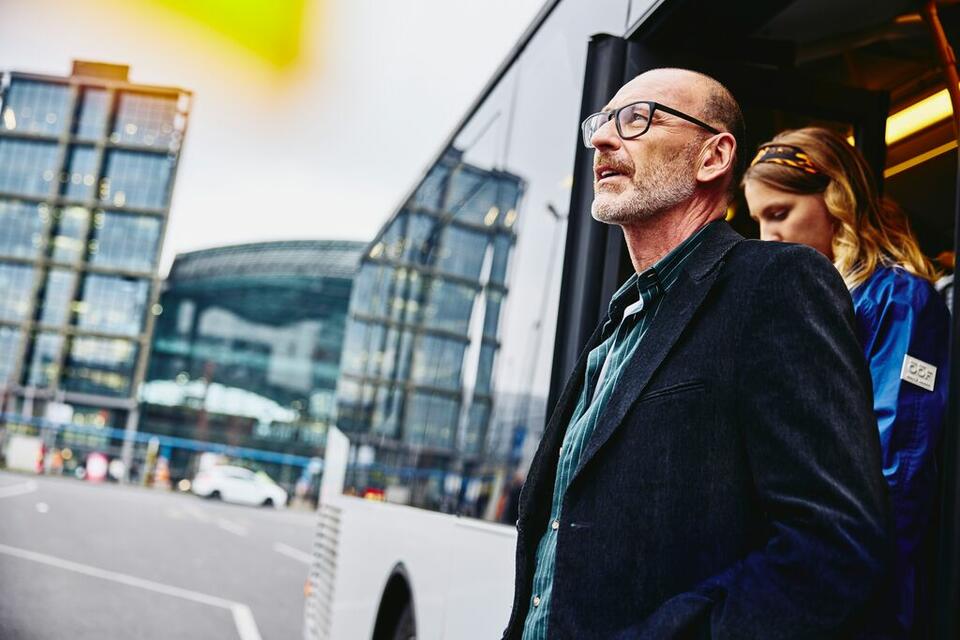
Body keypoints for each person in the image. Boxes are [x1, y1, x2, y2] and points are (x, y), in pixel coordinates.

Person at [503, 67, 891, 640]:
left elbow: (834, 547)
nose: (603, 139)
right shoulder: (618, 324)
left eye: (637, 119)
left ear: (713, 157)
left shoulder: (776, 285)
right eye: (602, 122)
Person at [743, 127, 951, 638]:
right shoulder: (806, 309)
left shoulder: (897, 300)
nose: (767, 237)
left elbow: (897, 466)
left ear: (836, 199)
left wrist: (842, 593)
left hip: (851, 592)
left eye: (780, 213)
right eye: (758, 221)